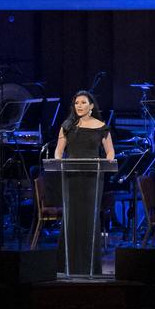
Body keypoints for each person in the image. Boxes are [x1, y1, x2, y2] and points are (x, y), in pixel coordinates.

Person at [52, 90, 115, 276]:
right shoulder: (67, 126)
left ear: (91, 106)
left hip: (93, 178)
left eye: (83, 102)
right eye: (76, 103)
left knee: (89, 219)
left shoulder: (101, 127)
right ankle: (66, 266)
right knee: (71, 219)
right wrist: (58, 161)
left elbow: (110, 151)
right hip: (71, 177)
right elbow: (58, 151)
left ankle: (90, 267)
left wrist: (110, 159)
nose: (79, 105)